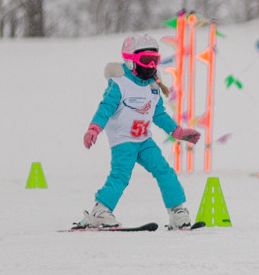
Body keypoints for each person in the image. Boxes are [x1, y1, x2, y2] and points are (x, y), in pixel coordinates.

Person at [77, 32, 202, 229]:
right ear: (130, 61)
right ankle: (100, 211)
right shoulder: (119, 83)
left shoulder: (152, 85)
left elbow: (158, 114)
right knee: (121, 176)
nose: (151, 66)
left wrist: (178, 132)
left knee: (164, 171)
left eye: (155, 60)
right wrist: (94, 129)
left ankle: (177, 211)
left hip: (144, 141)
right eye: (146, 60)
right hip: (123, 141)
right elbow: (105, 108)